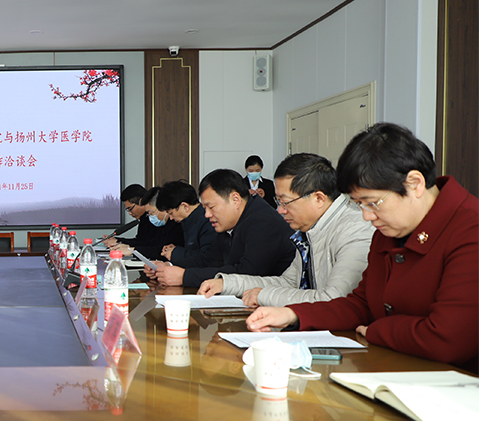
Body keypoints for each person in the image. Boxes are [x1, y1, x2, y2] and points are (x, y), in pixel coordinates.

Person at [246, 123, 478, 371]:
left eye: (372, 202)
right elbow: (361, 304)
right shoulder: (387, 232)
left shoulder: (469, 229)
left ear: (415, 184)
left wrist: (377, 330)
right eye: (359, 204)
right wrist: (294, 315)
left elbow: (446, 339)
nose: (367, 216)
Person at [198, 153, 373, 307]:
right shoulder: (309, 229)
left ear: (319, 198)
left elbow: (334, 300)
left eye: (285, 202)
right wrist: (226, 283)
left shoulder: (355, 229)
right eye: (278, 201)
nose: (280, 210)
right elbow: (288, 282)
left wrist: (263, 295)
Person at [146, 169, 296, 287]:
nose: (207, 214)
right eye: (205, 208)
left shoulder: (263, 222)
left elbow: (246, 274)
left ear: (235, 199)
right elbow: (209, 259)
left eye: (211, 207)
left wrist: (184, 277)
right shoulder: (232, 223)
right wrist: (169, 267)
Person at [155, 180, 221, 269]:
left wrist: (176, 253)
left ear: (185, 206)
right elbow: (194, 249)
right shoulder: (189, 220)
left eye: (171, 213)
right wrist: (175, 250)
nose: (171, 218)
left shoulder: (207, 221)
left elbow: (207, 258)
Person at [110, 186, 184, 259]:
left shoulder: (178, 223)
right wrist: (128, 247)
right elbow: (153, 243)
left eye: (150, 213)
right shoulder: (163, 222)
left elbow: (160, 250)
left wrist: (133, 250)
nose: (150, 217)